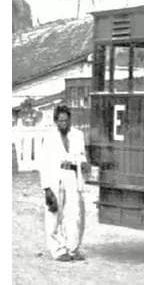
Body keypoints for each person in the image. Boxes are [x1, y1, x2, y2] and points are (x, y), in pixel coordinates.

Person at [40, 104, 89, 261]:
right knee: (54, 213)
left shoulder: (77, 135)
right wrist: (47, 188)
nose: (64, 124)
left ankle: (73, 248)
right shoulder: (49, 137)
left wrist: (84, 163)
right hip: (55, 176)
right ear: (55, 121)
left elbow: (82, 156)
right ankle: (58, 250)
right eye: (61, 121)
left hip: (73, 176)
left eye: (66, 121)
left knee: (75, 214)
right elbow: (44, 163)